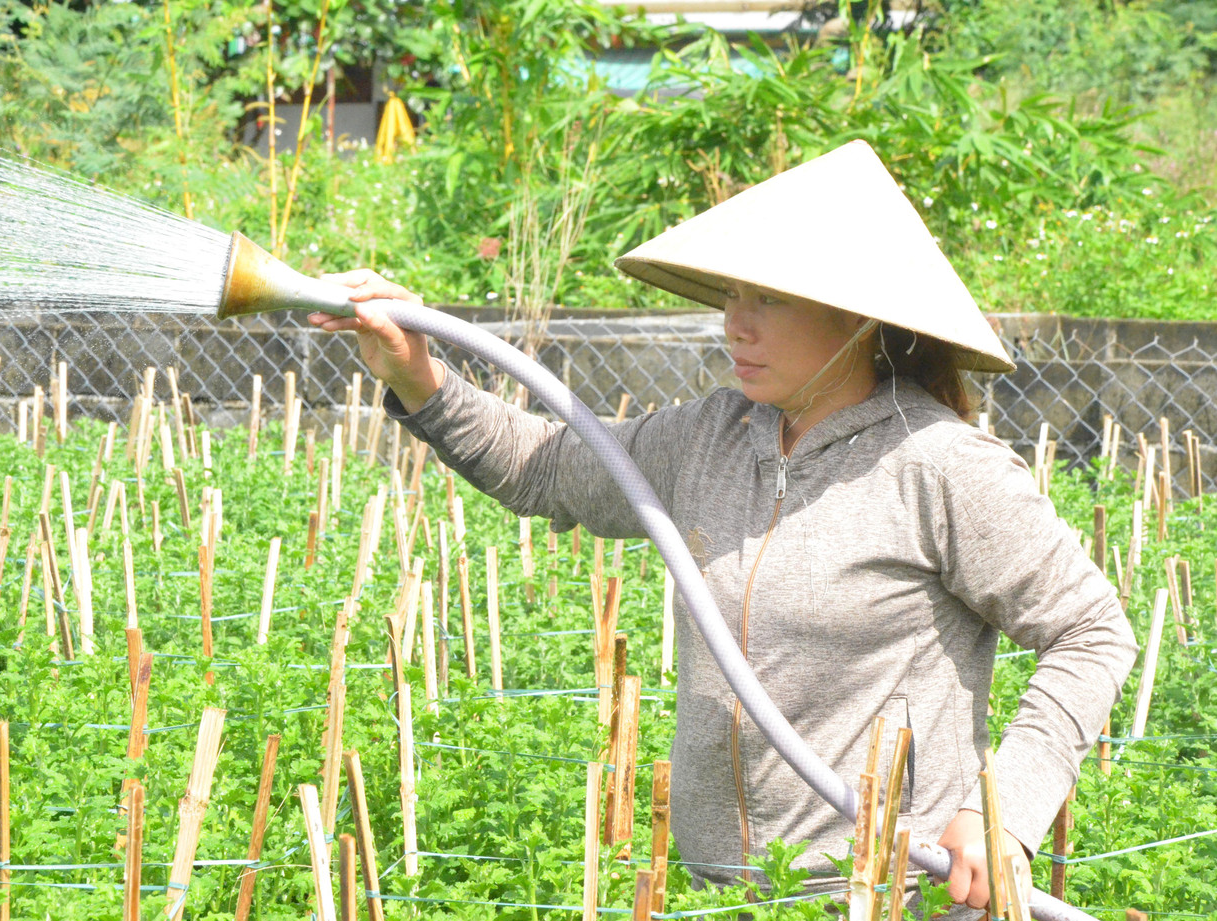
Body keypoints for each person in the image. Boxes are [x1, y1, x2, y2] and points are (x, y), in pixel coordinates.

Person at [308, 141, 1138, 916]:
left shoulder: (940, 464)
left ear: (857, 317)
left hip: (882, 890)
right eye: (731, 293)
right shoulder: (711, 434)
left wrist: (1005, 811)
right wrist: (417, 375)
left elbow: (1093, 631)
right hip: (720, 889)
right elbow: (543, 469)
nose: (735, 322)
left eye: (769, 297)